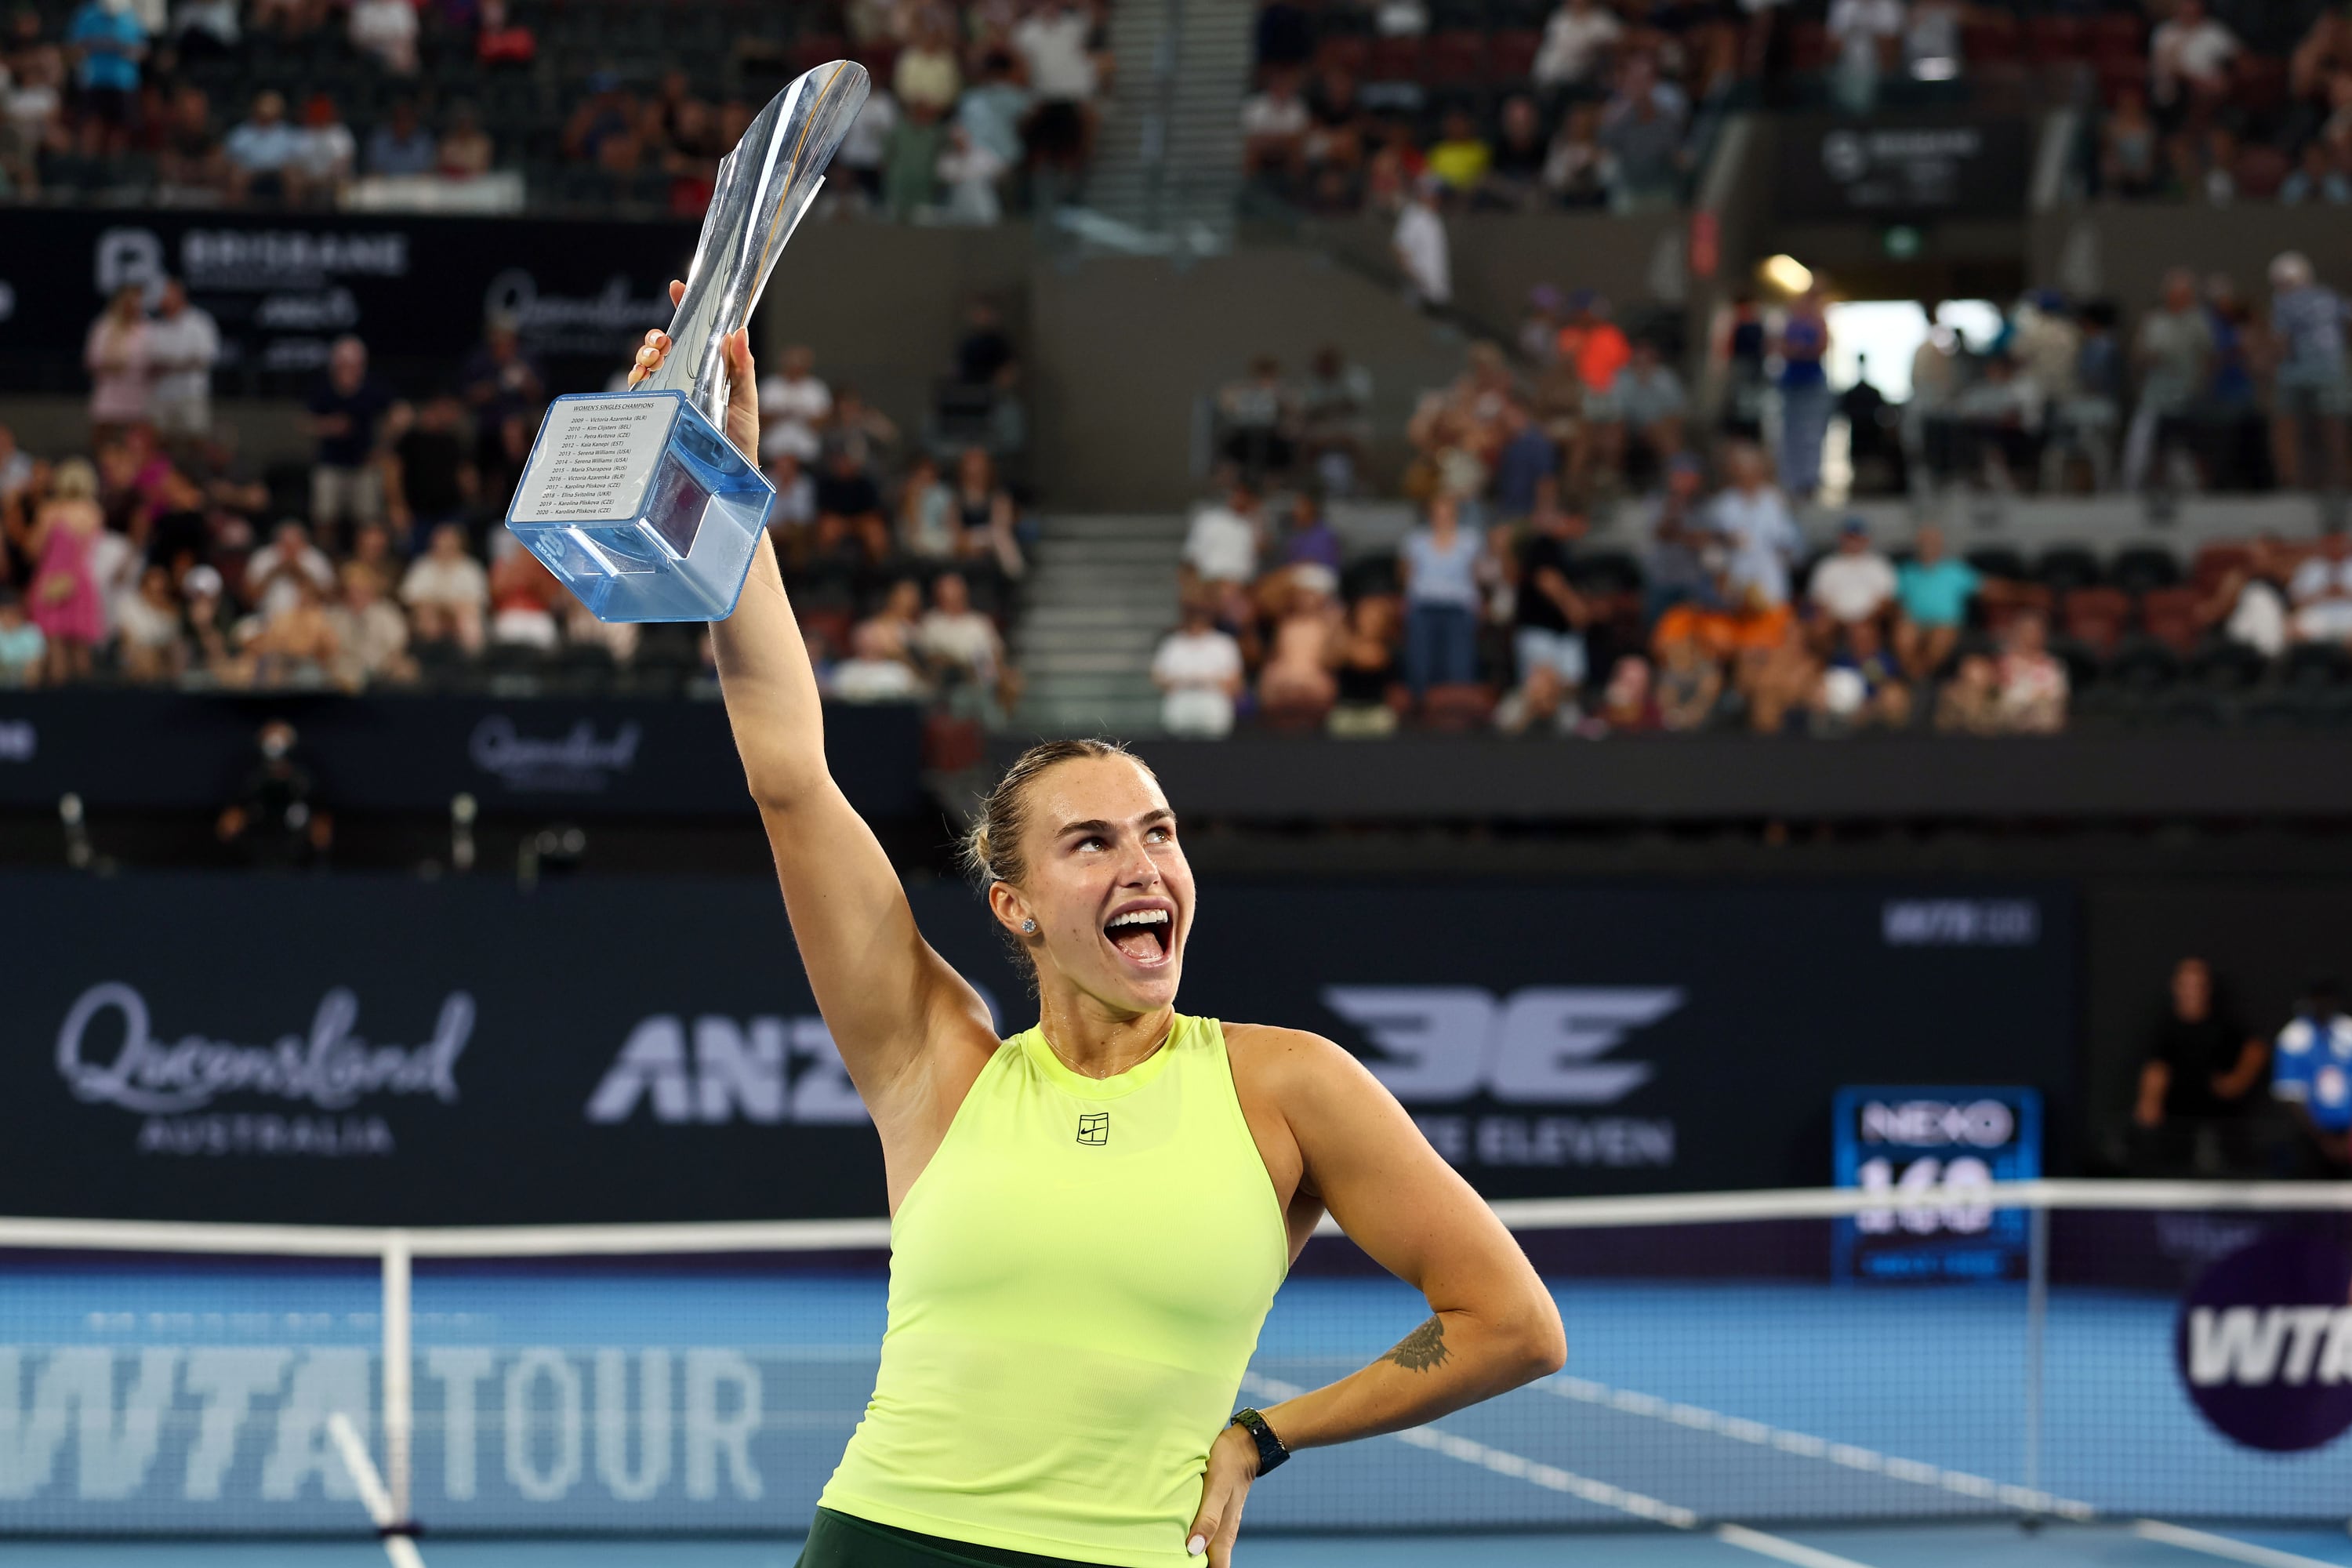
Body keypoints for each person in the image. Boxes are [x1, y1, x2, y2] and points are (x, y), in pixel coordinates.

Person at [634, 301, 1564, 1568]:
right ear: (1013, 906)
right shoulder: (935, 1062)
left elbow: (1511, 1321)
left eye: (1162, 832)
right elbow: (791, 773)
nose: (1149, 866)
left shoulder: (1288, 1089)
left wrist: (1264, 1436)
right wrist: (724, 494)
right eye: (1095, 843)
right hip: (888, 1543)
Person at [2133, 956, 2267, 1177]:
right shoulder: (2165, 1028)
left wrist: (2236, 1081)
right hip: (2178, 1125)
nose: (2191, 992)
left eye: (2198, 985)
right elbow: (2156, 1069)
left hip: (2221, 1124)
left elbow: (2256, 1049)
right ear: (2175, 987)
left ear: (2208, 989)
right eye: (2186, 985)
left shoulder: (2224, 1024)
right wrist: (2149, 1101)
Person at [2266, 252, 2350, 493]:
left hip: (2296, 373)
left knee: (2290, 428)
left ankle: (2294, 482)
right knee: (2332, 428)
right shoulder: (2329, 297)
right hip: (2331, 370)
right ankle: (2337, 481)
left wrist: (2266, 365)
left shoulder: (2283, 301)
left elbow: (2281, 343)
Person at [2124, 268, 2214, 495]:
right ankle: (2135, 490)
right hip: (2156, 395)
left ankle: (2197, 493)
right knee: (2142, 446)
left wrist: (2202, 384)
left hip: (2188, 396)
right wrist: (2148, 359)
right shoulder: (2154, 320)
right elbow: (2138, 354)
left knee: (2187, 451)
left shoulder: (2198, 320)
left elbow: (2209, 356)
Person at [305, 336, 396, 546]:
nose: (348, 369)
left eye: (353, 365)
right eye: (343, 364)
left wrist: (383, 446)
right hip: (330, 463)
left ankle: (362, 566)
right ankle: (327, 561)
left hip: (364, 464)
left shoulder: (373, 388)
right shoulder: (323, 388)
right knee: (325, 517)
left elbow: (400, 414)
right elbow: (305, 423)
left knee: (367, 520)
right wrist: (329, 426)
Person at [25, 457, 104, 684]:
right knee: (81, 647)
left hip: (52, 579)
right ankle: (85, 703)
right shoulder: (93, 512)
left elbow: (34, 548)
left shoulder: (51, 511)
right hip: (81, 579)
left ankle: (58, 704)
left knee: (55, 643)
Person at [1399, 494, 1484, 696]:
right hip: (1424, 606)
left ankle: (1456, 709)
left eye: (1447, 511)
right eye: (1437, 512)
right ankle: (1421, 709)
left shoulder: (1470, 540)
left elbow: (1477, 577)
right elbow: (1406, 576)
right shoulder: (1415, 540)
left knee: (1459, 662)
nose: (1442, 516)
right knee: (1421, 662)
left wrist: (1480, 604)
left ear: (1455, 514)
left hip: (1458, 607)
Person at [2271, 979, 2352, 1175]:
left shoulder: (2348, 1031)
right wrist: (2324, 1141)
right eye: (2318, 999)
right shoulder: (2294, 1037)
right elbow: (2289, 1094)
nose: (2323, 1004)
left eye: (2327, 998)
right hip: (2310, 1135)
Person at [1892, 524, 1977, 681]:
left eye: (1932, 542)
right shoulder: (1906, 572)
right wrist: (1902, 616)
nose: (1928, 546)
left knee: (1941, 636)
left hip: (1945, 624)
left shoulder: (1955, 570)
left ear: (1940, 545)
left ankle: (1922, 676)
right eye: (1924, 542)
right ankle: (1913, 675)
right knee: (1903, 634)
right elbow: (1895, 600)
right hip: (1915, 623)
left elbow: (1989, 588)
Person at [1152, 597, 1245, 736]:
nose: (1198, 620)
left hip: (1212, 699)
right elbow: (1158, 678)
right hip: (1181, 698)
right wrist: (1184, 681)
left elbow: (1236, 681)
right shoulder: (1173, 644)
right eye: (1194, 615)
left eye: (1202, 615)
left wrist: (1208, 682)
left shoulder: (1224, 644)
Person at [144, 277, 220, 448]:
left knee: (197, 440)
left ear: (179, 295)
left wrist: (171, 365)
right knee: (159, 442)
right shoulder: (155, 326)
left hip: (191, 394)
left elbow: (204, 359)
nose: (163, 297)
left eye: (168, 293)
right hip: (161, 395)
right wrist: (178, 363)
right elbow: (149, 361)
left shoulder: (200, 322)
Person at [1773, 288, 1832, 501]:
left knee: (1811, 434)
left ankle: (1809, 480)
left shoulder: (1818, 322)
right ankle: (1792, 481)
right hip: (1791, 385)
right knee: (1791, 435)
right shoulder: (1789, 323)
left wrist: (1802, 351)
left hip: (1812, 385)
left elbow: (1822, 346)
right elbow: (1781, 348)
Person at [83, 284, 149, 443]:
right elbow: (91, 359)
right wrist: (110, 365)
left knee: (134, 438)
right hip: (109, 391)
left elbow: (151, 358)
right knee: (104, 436)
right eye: (129, 303)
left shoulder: (146, 328)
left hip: (136, 393)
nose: (132, 307)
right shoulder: (103, 327)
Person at [1807, 517, 1896, 630]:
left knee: (1865, 631)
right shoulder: (1827, 566)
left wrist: (1866, 620)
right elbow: (1817, 600)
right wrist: (1836, 618)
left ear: (1866, 539)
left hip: (1869, 620)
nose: (1854, 542)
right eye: (1850, 537)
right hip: (1835, 619)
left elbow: (1887, 601)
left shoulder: (1880, 565)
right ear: (1842, 538)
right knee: (1819, 627)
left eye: (1858, 537)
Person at [1392, 176, 1450, 313]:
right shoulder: (1414, 215)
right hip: (1420, 293)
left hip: (1436, 293)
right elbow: (1399, 248)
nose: (1437, 198)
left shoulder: (1434, 218)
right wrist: (1417, 279)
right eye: (1434, 193)